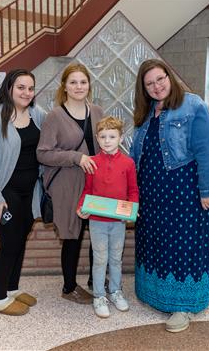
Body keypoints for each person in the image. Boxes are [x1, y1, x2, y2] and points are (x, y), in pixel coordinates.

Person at [130, 59, 209, 332]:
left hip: (185, 191)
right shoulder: (145, 113)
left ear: (170, 77)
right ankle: (154, 295)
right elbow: (136, 155)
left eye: (160, 79)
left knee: (184, 244)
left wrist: (206, 190)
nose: (157, 86)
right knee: (157, 241)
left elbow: (206, 150)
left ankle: (183, 307)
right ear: (143, 89)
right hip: (153, 191)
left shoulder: (193, 105)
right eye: (150, 83)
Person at [0, 69, 45, 316]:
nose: (26, 93)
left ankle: (13, 289)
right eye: (21, 87)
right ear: (9, 89)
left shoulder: (37, 114)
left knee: (21, 240)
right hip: (5, 193)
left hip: (29, 192)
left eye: (30, 88)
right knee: (10, 244)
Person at [37, 63, 104, 304]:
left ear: (89, 85)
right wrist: (76, 157)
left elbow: (104, 143)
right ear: (64, 86)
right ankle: (68, 287)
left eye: (83, 82)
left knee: (97, 232)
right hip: (67, 185)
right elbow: (42, 153)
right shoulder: (55, 116)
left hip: (95, 184)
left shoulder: (96, 111)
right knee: (73, 235)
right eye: (73, 82)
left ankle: (95, 280)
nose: (78, 86)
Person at [76, 116, 139, 318]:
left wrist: (132, 209)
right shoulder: (92, 162)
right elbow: (87, 190)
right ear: (97, 138)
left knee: (115, 258)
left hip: (118, 221)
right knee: (100, 258)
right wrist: (81, 206)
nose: (107, 140)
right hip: (97, 221)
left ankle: (115, 291)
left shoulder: (128, 163)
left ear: (121, 138)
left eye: (112, 136)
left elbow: (133, 191)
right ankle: (99, 295)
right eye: (103, 136)